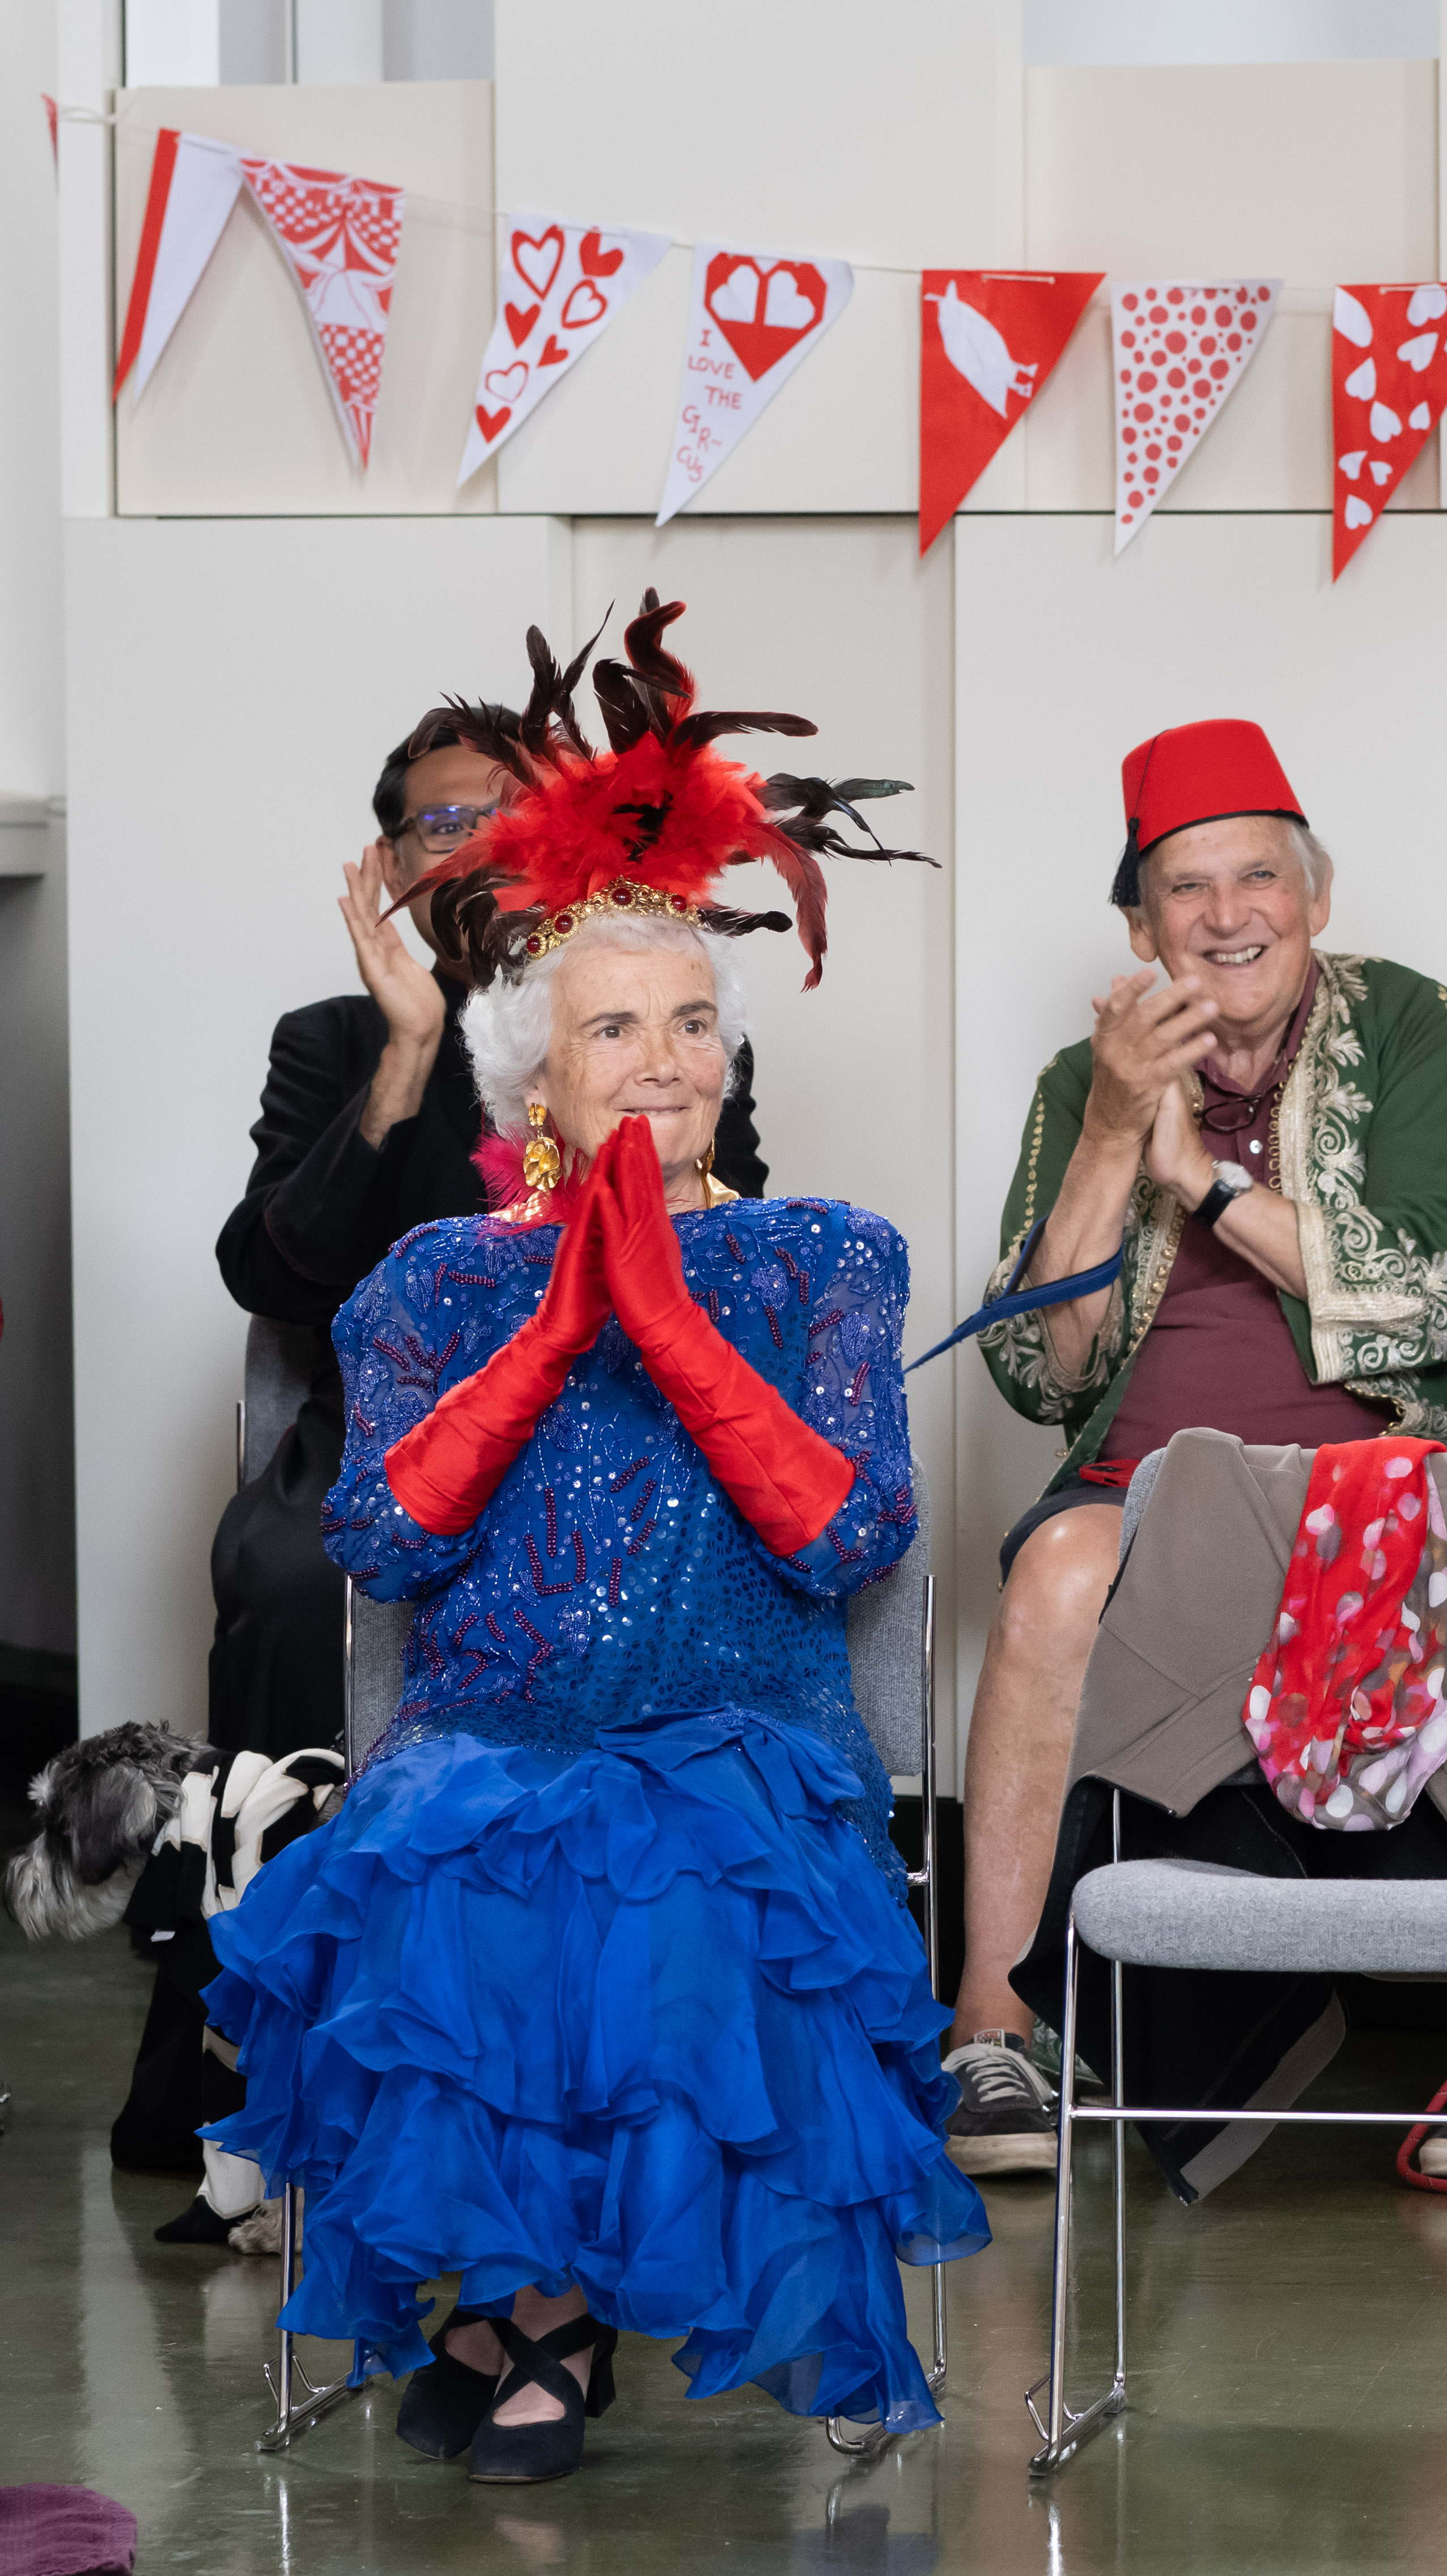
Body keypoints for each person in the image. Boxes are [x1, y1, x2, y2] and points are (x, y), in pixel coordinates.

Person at [201, 599, 984, 2483]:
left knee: (670, 1875)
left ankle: (528, 2323)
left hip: (742, 1739)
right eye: (613, 1028)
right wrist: (561, 1318)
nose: (663, 1060)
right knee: (474, 1862)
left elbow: (847, 1530)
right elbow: (381, 1532)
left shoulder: (821, 1253)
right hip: (492, 1745)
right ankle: (538, 2309)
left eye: (694, 1020)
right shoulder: (437, 1278)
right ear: (524, 1081)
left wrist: (677, 1319)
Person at [956, 719, 1447, 2171]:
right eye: (1186, 889)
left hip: (1377, 1471)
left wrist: (1194, 1177)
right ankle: (996, 2033)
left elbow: (1436, 1287)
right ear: (1140, 926)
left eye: (1256, 877)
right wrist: (1114, 1132)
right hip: (1142, 1487)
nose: (1226, 915)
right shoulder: (1092, 1080)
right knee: (1055, 1580)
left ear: (1314, 896)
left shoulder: (1405, 1024)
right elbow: (1030, 1364)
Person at [209, 703, 766, 1764]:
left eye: (516, 815)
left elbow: (729, 1244)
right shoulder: (330, 1040)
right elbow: (272, 1280)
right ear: (387, 863)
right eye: (445, 823)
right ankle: (277, 1882)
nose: (484, 846)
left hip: (629, 1400)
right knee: (289, 1579)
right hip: (391, 1419)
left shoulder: (668, 1027)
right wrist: (407, 1056)